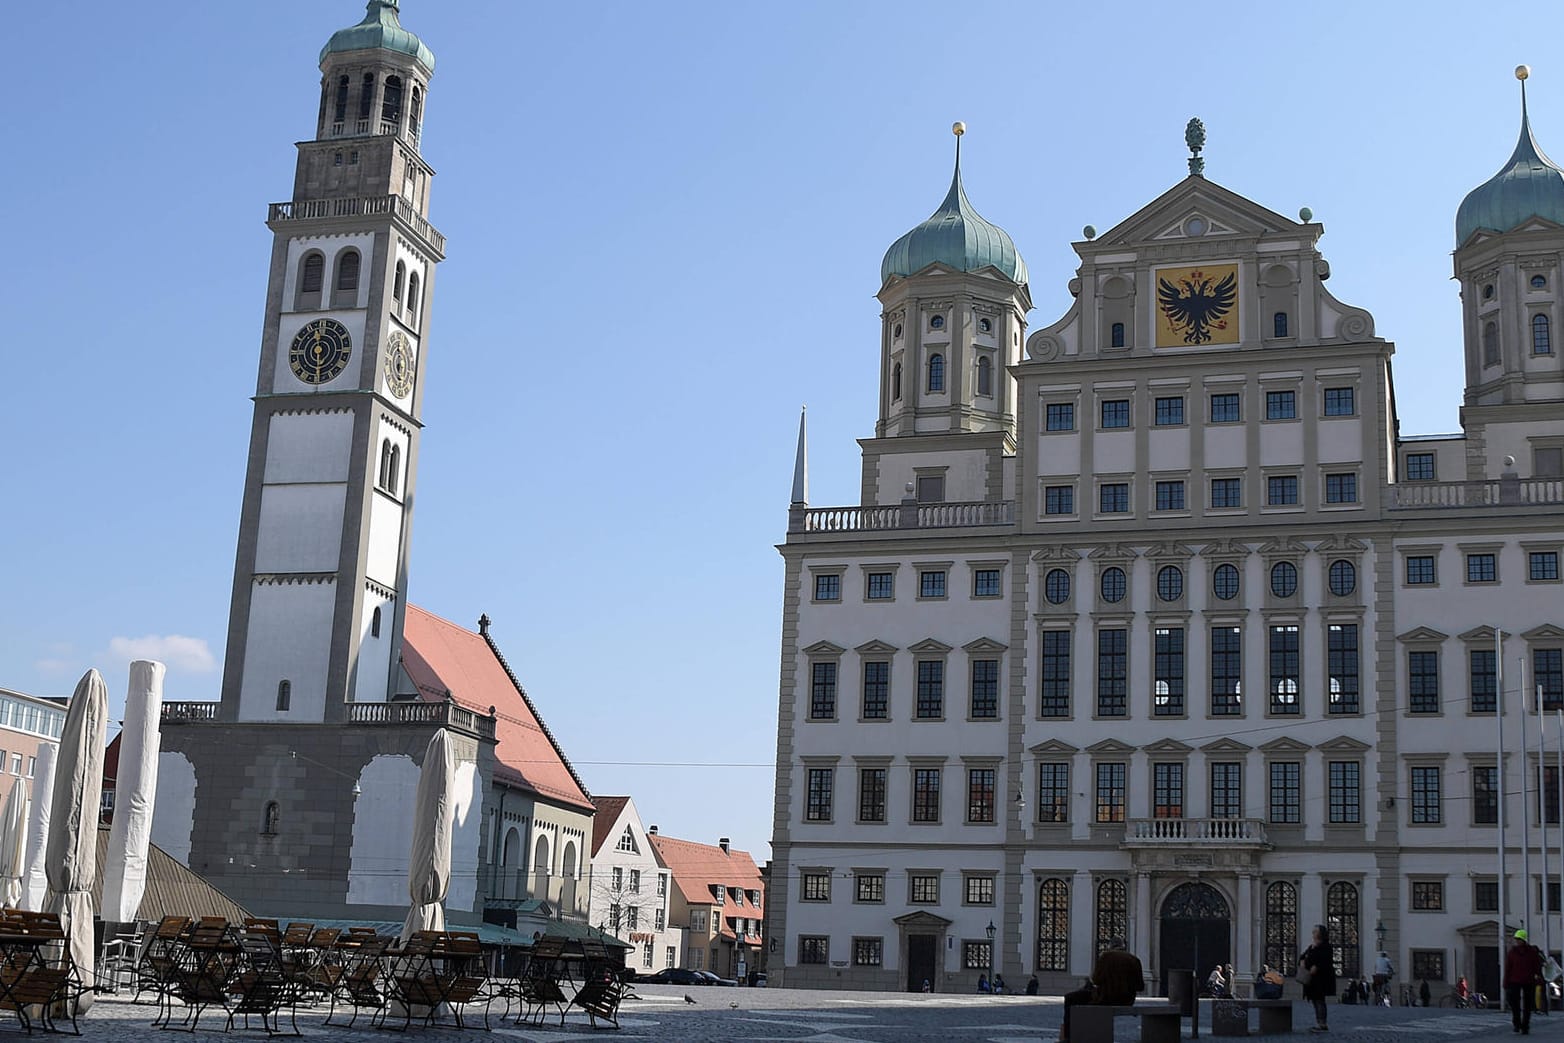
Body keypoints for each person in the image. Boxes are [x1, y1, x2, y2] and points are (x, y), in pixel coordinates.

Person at [1059, 938, 1145, 1043]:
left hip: (1106, 998)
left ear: (1110, 946)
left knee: (1070, 998)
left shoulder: (1106, 957)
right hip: (1126, 1000)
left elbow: (1096, 980)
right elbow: (1140, 986)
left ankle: (1068, 1037)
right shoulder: (1134, 959)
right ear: (1123, 947)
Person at [1299, 922, 1338, 1033]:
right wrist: (1302, 961)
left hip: (1321, 979)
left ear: (1321, 933)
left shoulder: (1326, 946)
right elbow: (1302, 956)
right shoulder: (1312, 946)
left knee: (1320, 1000)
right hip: (1312, 979)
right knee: (1315, 1001)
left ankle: (1322, 1023)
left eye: (1315, 931)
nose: (1313, 933)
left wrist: (1317, 966)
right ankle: (1319, 1022)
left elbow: (1326, 961)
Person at [1508, 928, 1544, 1034]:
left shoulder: (1532, 952)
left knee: (1528, 1004)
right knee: (1515, 1004)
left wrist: (1539, 977)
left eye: (1519, 939)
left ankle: (1525, 1025)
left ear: (1523, 940)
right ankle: (1517, 1023)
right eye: (1516, 939)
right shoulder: (1512, 952)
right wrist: (1506, 982)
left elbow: (1537, 966)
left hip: (1529, 981)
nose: (1517, 941)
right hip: (1514, 980)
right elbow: (1508, 967)